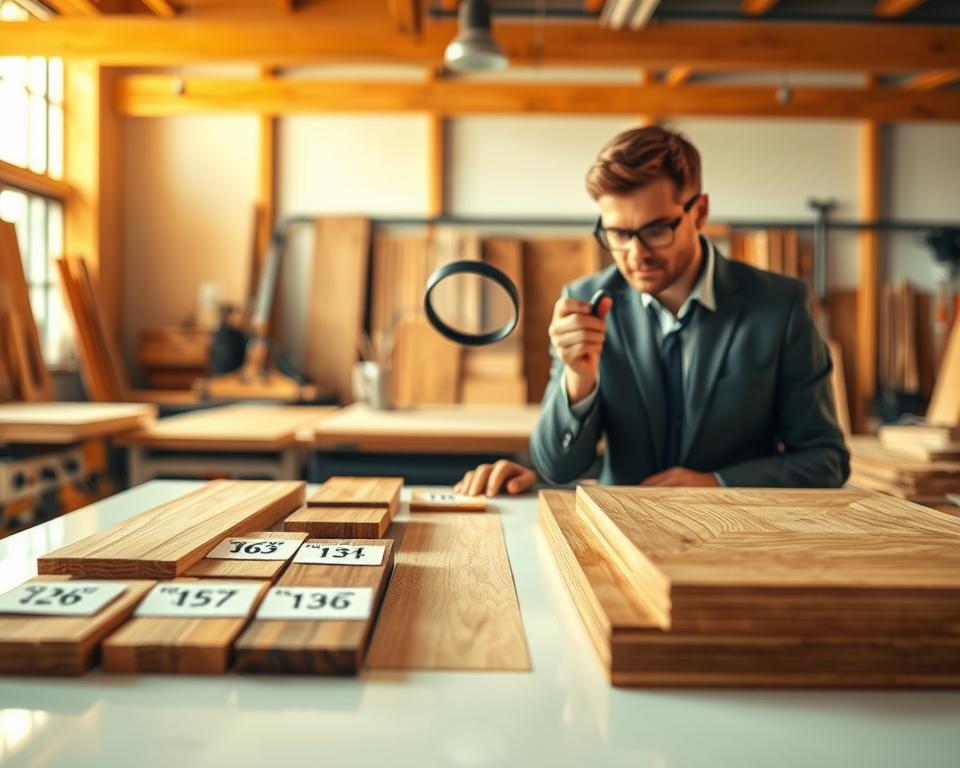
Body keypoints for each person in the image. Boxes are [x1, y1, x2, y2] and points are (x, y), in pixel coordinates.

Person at [455, 125, 849, 497]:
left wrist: (717, 483)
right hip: (617, 538)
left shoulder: (779, 306)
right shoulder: (586, 302)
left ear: (700, 213)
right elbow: (558, 468)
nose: (636, 253)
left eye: (656, 230)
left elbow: (826, 460)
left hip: (737, 538)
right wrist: (578, 379)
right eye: (619, 234)